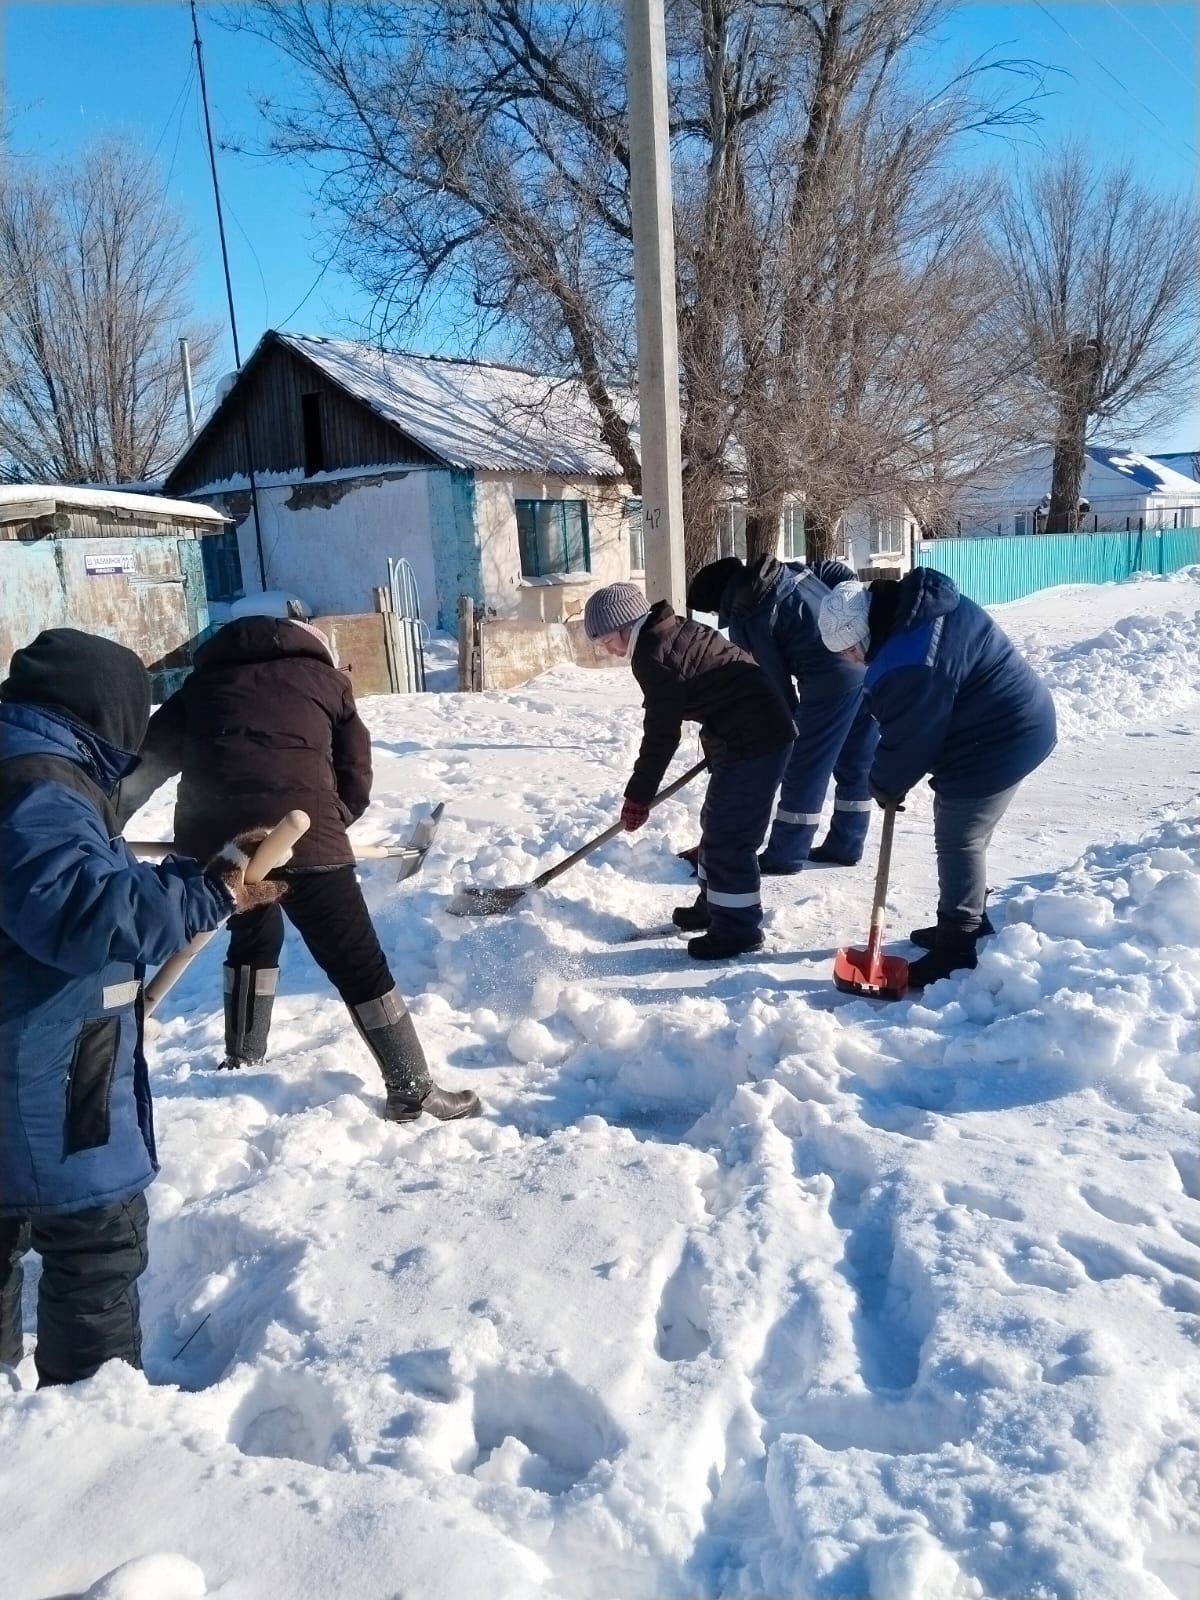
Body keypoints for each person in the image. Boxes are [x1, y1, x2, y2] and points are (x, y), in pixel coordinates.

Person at [0, 627, 281, 1387]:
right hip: (48, 1085)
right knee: (97, 1250)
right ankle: (93, 1443)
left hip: (26, 1066)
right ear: (110, 712)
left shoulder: (23, 765)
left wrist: (206, 875)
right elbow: (79, 910)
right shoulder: (41, 788)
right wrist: (213, 889)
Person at [116, 613, 479, 1123]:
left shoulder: (200, 686)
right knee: (357, 961)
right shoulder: (328, 681)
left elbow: (146, 763)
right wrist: (331, 826)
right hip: (304, 835)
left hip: (218, 846)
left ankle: (242, 1055)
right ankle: (412, 1089)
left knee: (251, 935)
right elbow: (355, 773)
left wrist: (107, 821)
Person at [818, 571, 1057, 987]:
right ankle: (967, 916)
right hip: (1005, 720)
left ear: (861, 636)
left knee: (960, 834)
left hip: (1000, 739)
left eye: (851, 653)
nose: (853, 662)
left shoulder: (906, 662)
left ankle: (958, 944)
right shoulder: (923, 609)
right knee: (965, 830)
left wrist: (886, 784)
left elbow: (911, 739)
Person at [583, 583, 795, 960]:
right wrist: (719, 745)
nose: (607, 649)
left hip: (757, 739)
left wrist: (638, 795)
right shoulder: (668, 629)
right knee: (716, 823)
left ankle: (737, 929)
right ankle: (715, 906)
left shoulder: (652, 654)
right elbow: (717, 685)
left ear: (623, 626)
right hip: (743, 732)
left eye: (604, 640)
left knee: (731, 836)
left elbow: (662, 734)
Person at [686, 554, 879, 872]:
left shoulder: (748, 615)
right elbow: (834, 570)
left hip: (829, 683)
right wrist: (850, 592)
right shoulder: (786, 573)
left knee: (804, 768)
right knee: (855, 763)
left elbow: (772, 687)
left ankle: (785, 854)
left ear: (717, 600)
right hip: (863, 660)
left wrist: (783, 730)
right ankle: (846, 844)